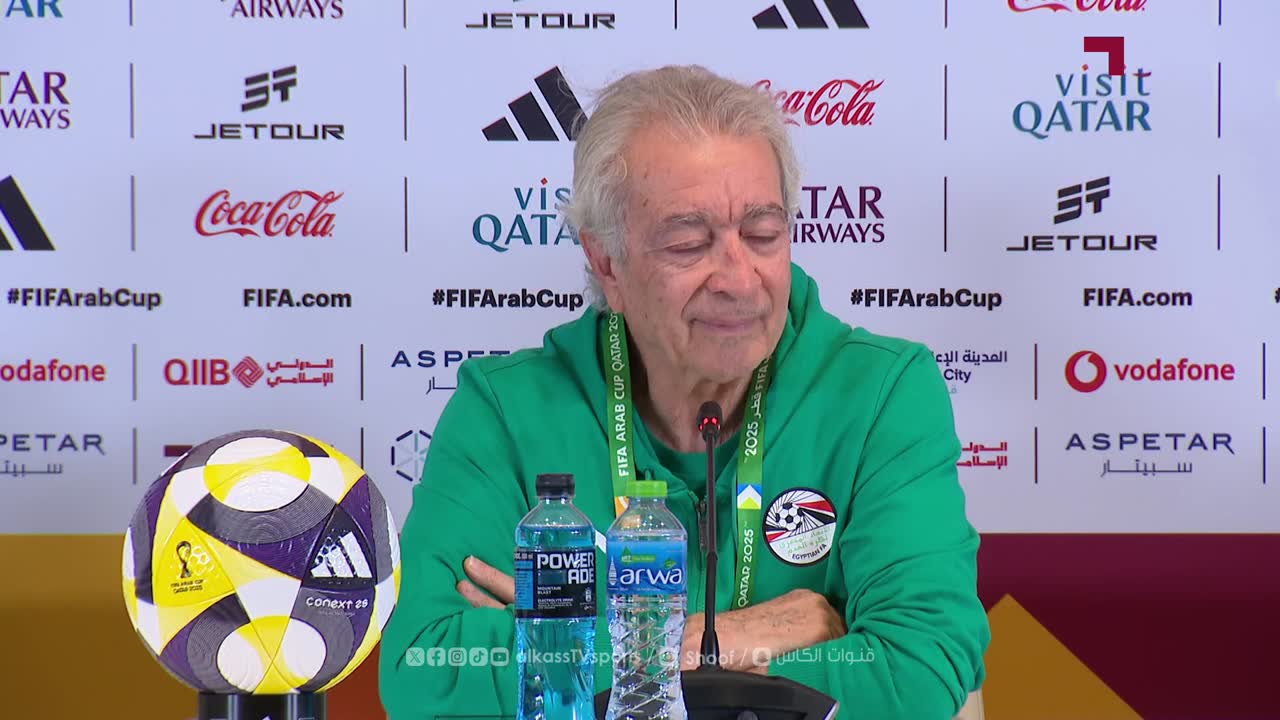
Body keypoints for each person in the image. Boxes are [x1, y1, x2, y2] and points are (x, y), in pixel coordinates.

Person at [379, 65, 989, 719]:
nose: (738, 279)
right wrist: (735, 639)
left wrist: (567, 643)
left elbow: (918, 668)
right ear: (606, 263)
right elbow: (427, 667)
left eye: (762, 234)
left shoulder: (883, 393)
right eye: (688, 243)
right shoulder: (504, 411)